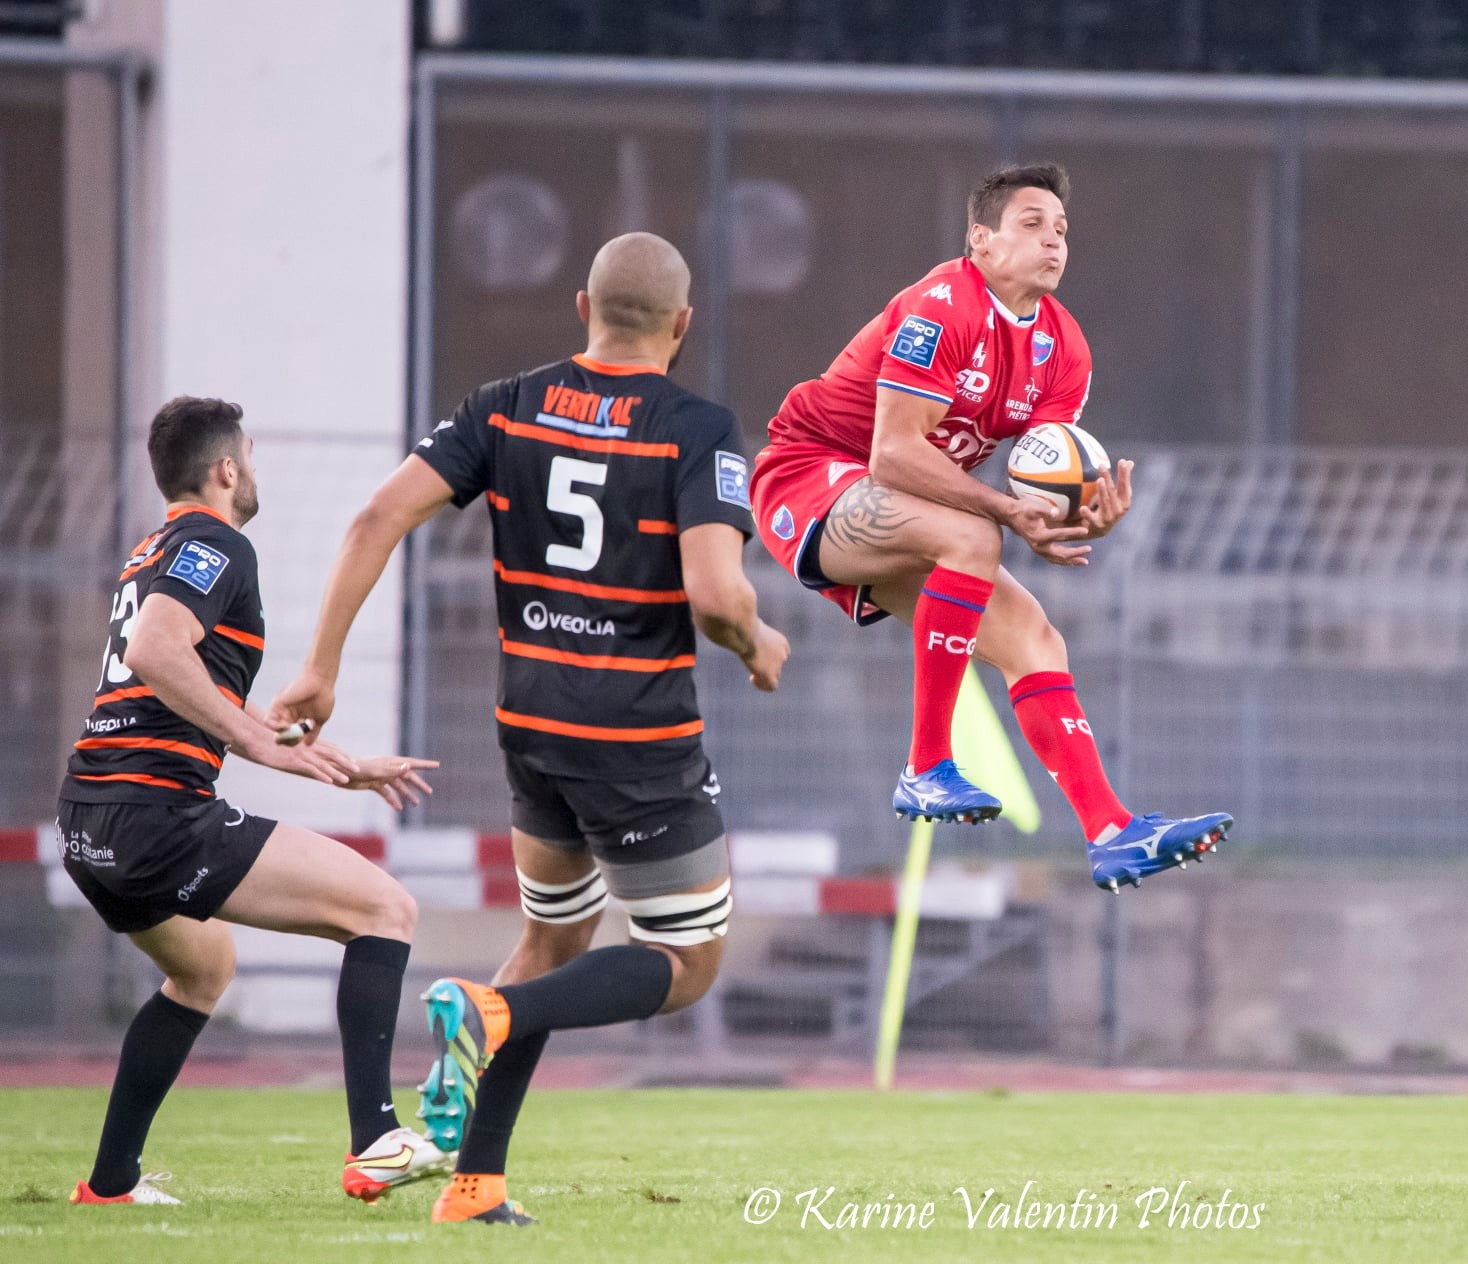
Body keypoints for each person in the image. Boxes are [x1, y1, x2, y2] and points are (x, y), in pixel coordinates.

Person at [271, 232, 787, 1226]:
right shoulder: (698, 428)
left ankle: (476, 1185)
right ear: (683, 324)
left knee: (553, 938)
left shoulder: (503, 405)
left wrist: (319, 667)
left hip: (531, 727)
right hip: (636, 740)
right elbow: (718, 596)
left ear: (582, 307)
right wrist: (758, 642)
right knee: (684, 964)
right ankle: (487, 1010)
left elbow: (377, 516)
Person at [748, 163, 1230, 892]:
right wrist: (1004, 513)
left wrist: (1080, 516)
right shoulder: (942, 306)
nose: (1053, 241)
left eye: (1061, 229)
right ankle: (927, 766)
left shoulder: (1065, 349)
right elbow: (892, 452)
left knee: (1036, 637)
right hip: (808, 474)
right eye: (1031, 224)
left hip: (903, 504)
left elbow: (1039, 475)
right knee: (972, 536)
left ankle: (1112, 833)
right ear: (980, 239)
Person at [60, 396, 445, 1207]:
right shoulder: (216, 542)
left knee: (204, 969)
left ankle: (111, 1183)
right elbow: (156, 650)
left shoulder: (152, 552)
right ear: (227, 470)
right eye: (252, 460)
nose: (255, 473)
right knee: (384, 909)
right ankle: (376, 1141)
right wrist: (259, 743)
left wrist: (323, 758)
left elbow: (183, 689)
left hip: (90, 817)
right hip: (156, 815)